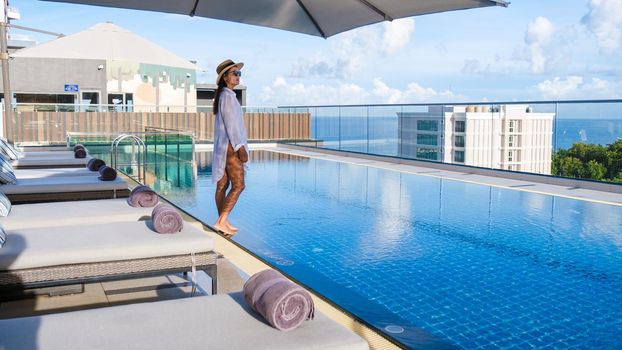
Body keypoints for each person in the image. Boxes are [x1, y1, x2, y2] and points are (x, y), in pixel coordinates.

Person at [212, 59, 249, 236]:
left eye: (239, 73)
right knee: (239, 185)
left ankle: (222, 222)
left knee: (222, 184)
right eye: (234, 73)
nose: (238, 76)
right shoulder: (227, 97)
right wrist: (240, 146)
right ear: (225, 77)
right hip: (231, 147)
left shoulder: (226, 96)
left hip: (225, 147)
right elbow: (231, 124)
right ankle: (221, 220)